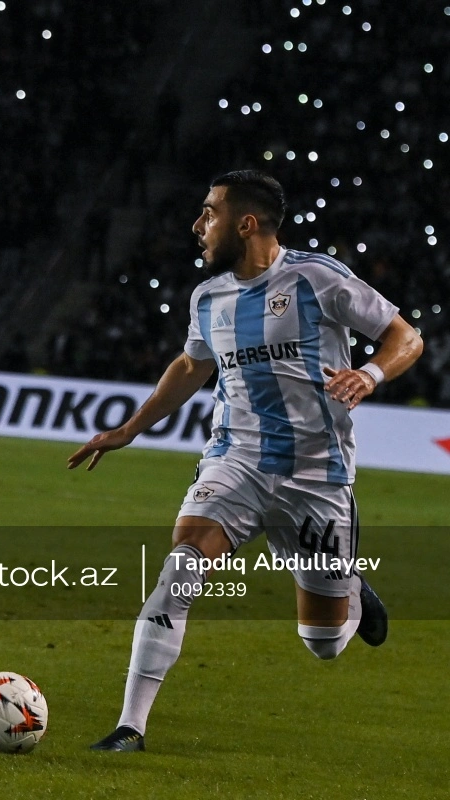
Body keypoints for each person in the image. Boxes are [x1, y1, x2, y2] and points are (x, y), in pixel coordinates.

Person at [67, 170, 423, 751]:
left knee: (324, 642)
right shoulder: (208, 297)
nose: (198, 225)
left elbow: (406, 337)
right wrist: (129, 428)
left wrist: (370, 372)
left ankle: (350, 584)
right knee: (180, 566)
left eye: (209, 212)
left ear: (246, 223)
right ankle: (131, 725)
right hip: (237, 460)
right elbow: (191, 367)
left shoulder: (318, 279)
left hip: (316, 473)